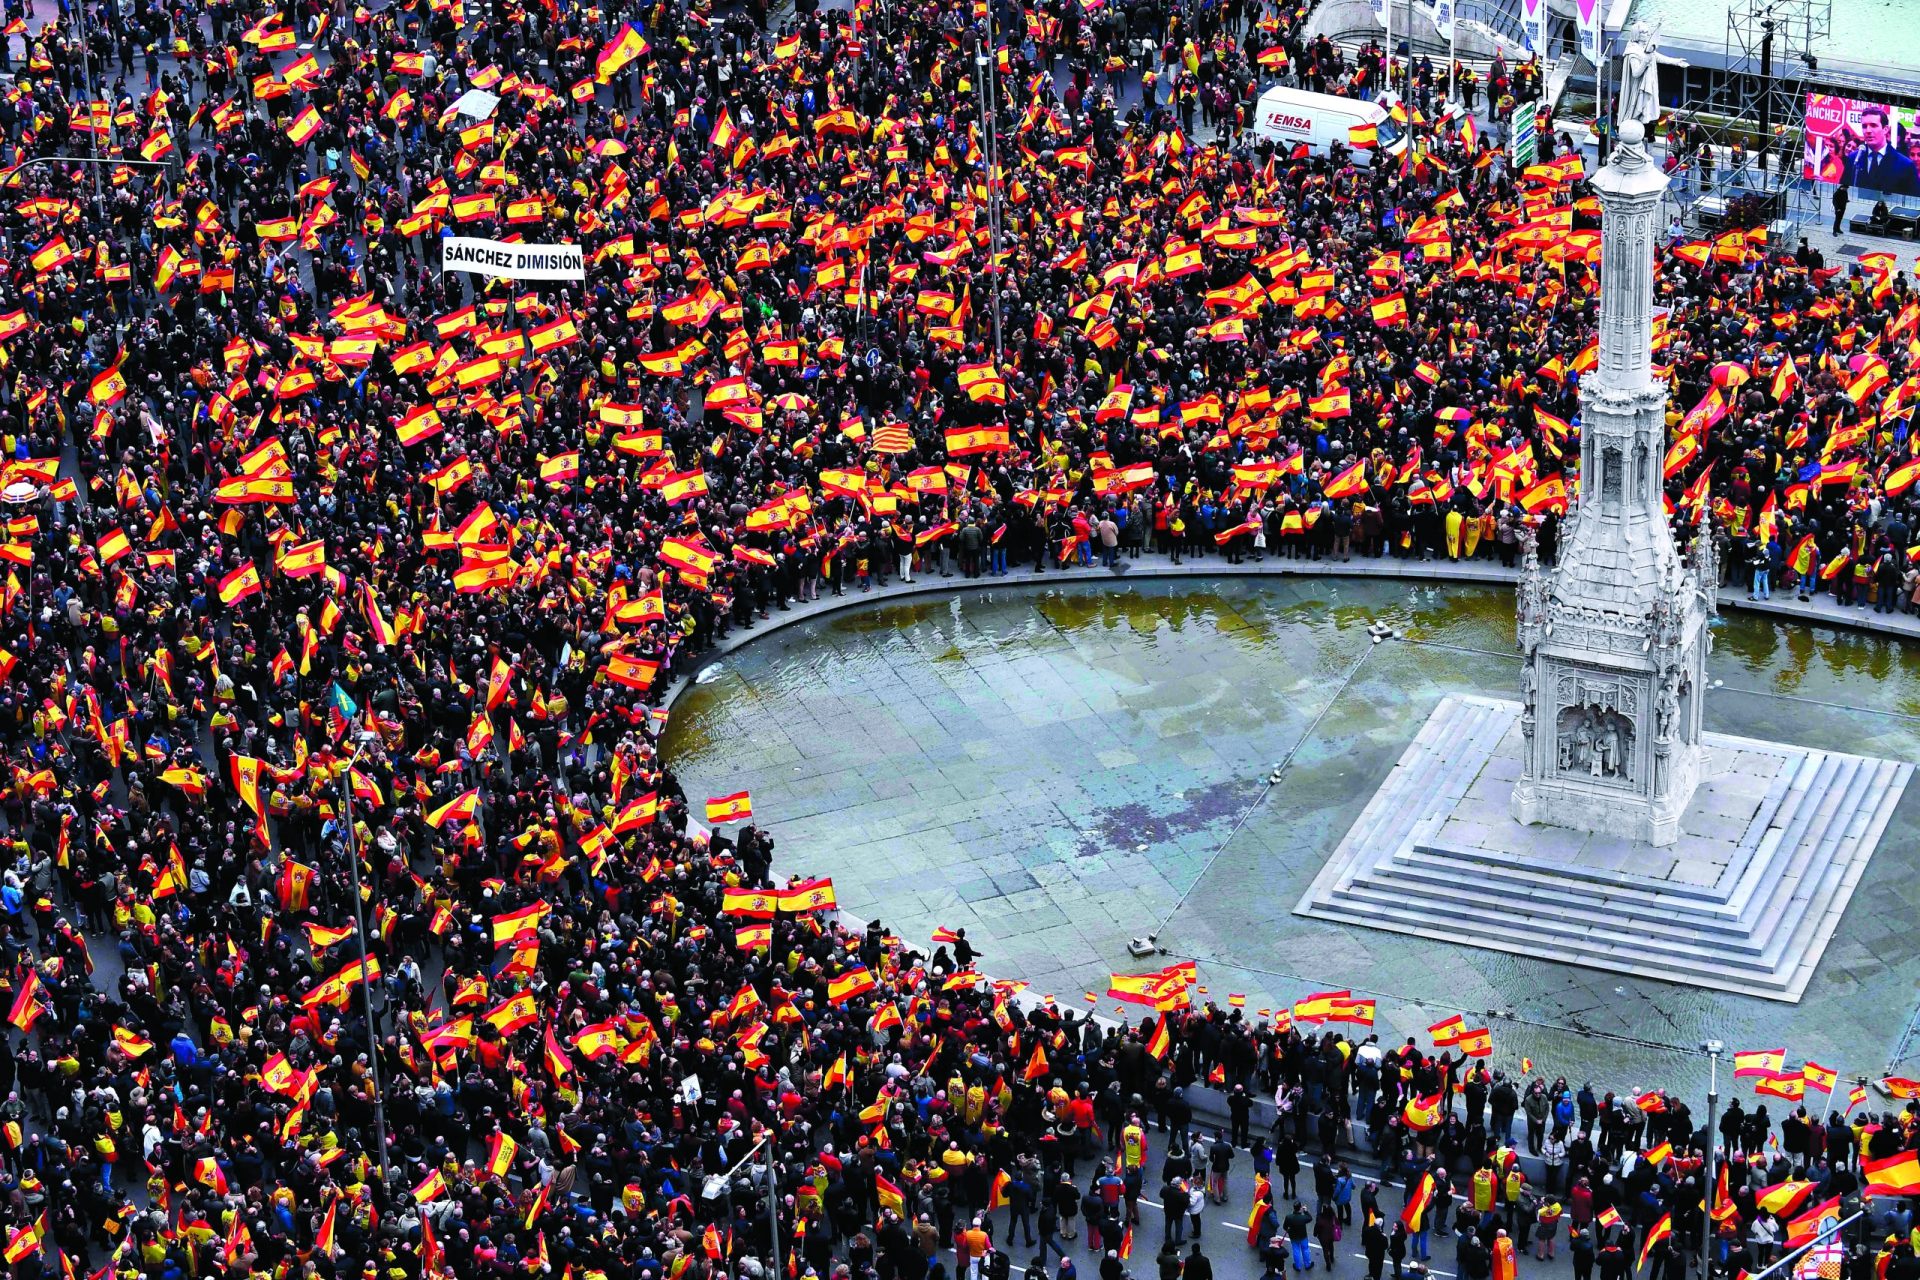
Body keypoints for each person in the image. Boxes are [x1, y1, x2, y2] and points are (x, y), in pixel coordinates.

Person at [1845, 106, 1920, 196]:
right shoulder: (1854, 158)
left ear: (1885, 129)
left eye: (1873, 125)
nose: (1868, 130)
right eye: (1864, 126)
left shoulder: (1905, 165)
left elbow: (1911, 203)